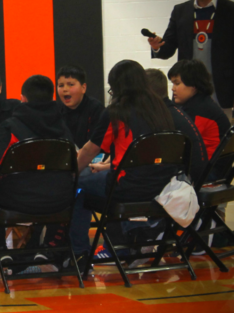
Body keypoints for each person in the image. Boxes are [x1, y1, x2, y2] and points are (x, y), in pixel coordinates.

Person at [71, 60, 178, 270]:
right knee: (100, 179)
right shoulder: (160, 108)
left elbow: (88, 151)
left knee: (77, 186)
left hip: (128, 186)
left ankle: (79, 252)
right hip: (162, 184)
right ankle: (130, 240)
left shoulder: (117, 112)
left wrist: (70, 173)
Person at [0, 75, 75, 280]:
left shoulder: (10, 127)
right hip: (59, 202)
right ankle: (48, 252)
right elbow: (72, 166)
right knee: (58, 188)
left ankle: (2, 255)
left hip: (15, 201)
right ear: (52, 99)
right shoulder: (64, 128)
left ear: (22, 99)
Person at [147, 0, 234, 118]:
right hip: (188, 86)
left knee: (222, 130)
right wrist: (157, 47)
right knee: (188, 130)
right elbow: (169, 47)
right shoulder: (180, 10)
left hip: (221, 86)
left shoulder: (229, 8)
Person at [167, 59, 230, 176]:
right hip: (210, 169)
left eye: (177, 83)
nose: (173, 88)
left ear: (193, 85)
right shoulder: (201, 103)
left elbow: (183, 146)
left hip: (209, 173)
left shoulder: (200, 110)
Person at [146, 68, 208, 183]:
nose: (173, 88)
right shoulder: (172, 111)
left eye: (177, 83)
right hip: (195, 176)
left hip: (188, 183)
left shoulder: (162, 117)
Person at [56, 65, 104, 150]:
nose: (65, 89)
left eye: (70, 85)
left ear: (83, 88)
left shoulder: (96, 109)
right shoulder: (56, 111)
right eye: (61, 85)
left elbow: (98, 144)